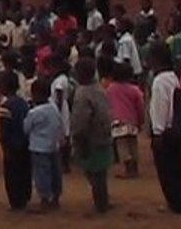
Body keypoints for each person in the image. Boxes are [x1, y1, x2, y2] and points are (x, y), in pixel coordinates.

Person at [71, 57, 113, 213]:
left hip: (89, 138)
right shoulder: (99, 89)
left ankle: (101, 204)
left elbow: (81, 120)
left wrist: (78, 137)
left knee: (93, 173)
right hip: (103, 134)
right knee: (100, 172)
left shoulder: (82, 93)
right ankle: (103, 201)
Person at [148, 42, 181, 213]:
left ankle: (175, 203)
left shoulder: (160, 81)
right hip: (176, 129)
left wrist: (158, 132)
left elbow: (161, 107)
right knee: (175, 168)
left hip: (166, 132)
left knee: (167, 170)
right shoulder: (173, 77)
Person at [24, 78, 63, 211]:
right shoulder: (53, 107)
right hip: (53, 145)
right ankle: (55, 198)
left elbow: (26, 128)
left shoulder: (34, 112)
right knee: (55, 172)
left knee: (41, 174)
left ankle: (45, 200)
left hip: (39, 148)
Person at [0, 70, 31, 211]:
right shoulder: (23, 103)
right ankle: (24, 198)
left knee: (12, 174)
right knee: (24, 171)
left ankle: (16, 202)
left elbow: (5, 129)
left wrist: (4, 145)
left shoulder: (6, 106)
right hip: (24, 143)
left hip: (12, 145)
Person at [106, 61, 144, 178]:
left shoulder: (111, 88)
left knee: (122, 145)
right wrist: (140, 120)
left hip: (118, 121)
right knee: (133, 144)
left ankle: (128, 169)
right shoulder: (135, 90)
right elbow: (140, 106)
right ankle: (135, 168)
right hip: (132, 120)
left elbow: (107, 104)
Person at [48, 52, 73, 173]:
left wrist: (56, 111)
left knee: (63, 133)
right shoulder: (63, 78)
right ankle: (64, 163)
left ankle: (65, 163)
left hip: (60, 108)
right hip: (62, 107)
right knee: (64, 133)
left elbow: (59, 94)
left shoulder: (60, 80)